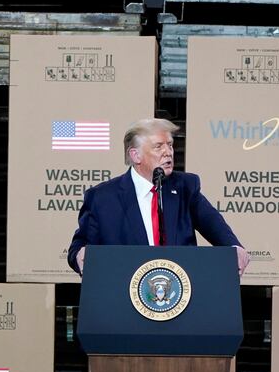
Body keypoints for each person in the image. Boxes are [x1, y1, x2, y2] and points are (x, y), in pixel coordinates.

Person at [67, 118, 251, 277]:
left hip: (180, 292)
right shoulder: (102, 198)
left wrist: (234, 248)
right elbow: (79, 246)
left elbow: (213, 224)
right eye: (158, 146)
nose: (168, 152)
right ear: (135, 155)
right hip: (126, 294)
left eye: (170, 145)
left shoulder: (185, 187)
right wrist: (80, 256)